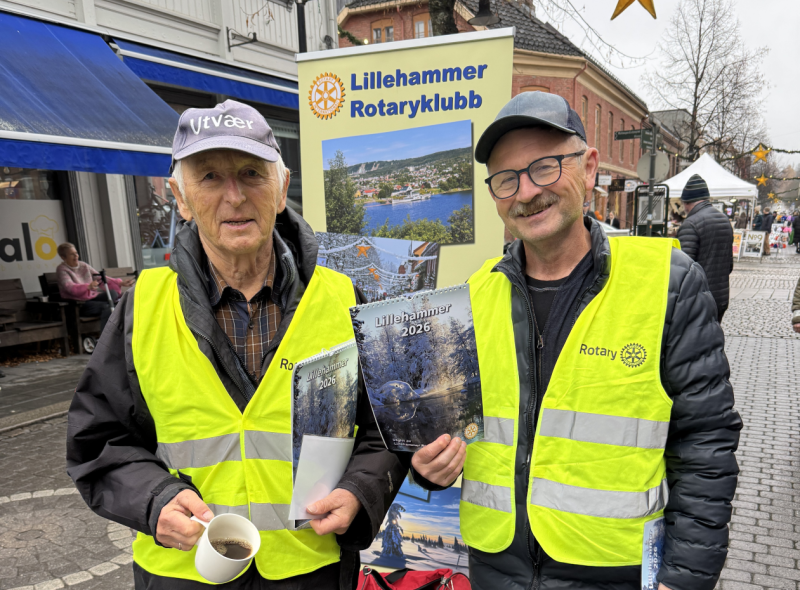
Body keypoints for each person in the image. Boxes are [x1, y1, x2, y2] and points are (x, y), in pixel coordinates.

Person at [66, 101, 410, 590]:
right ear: (180, 198)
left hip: (308, 570)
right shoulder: (141, 307)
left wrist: (359, 489)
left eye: (251, 173)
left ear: (281, 188)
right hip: (185, 575)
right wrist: (154, 499)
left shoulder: (342, 298)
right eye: (209, 177)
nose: (234, 197)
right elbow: (100, 441)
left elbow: (387, 428)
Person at [412, 91, 741, 590]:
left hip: (614, 571)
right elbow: (450, 426)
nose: (525, 192)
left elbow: (706, 443)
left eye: (544, 167)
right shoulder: (473, 297)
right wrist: (426, 466)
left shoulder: (668, 283)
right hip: (498, 569)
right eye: (506, 179)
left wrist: (685, 579)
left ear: (588, 169)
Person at [675, 175, 734, 322]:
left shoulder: (691, 224)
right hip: (720, 296)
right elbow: (729, 265)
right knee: (713, 339)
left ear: (687, 202)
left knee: (696, 342)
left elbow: (682, 269)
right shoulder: (724, 220)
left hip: (698, 299)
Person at [56, 243, 134, 334]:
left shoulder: (83, 265)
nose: (76, 256)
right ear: (63, 257)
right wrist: (88, 286)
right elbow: (69, 287)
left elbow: (100, 278)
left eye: (76, 253)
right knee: (109, 308)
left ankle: (123, 330)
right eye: (72, 254)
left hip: (92, 298)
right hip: (79, 304)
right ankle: (106, 337)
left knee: (113, 293)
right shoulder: (62, 270)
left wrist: (120, 282)